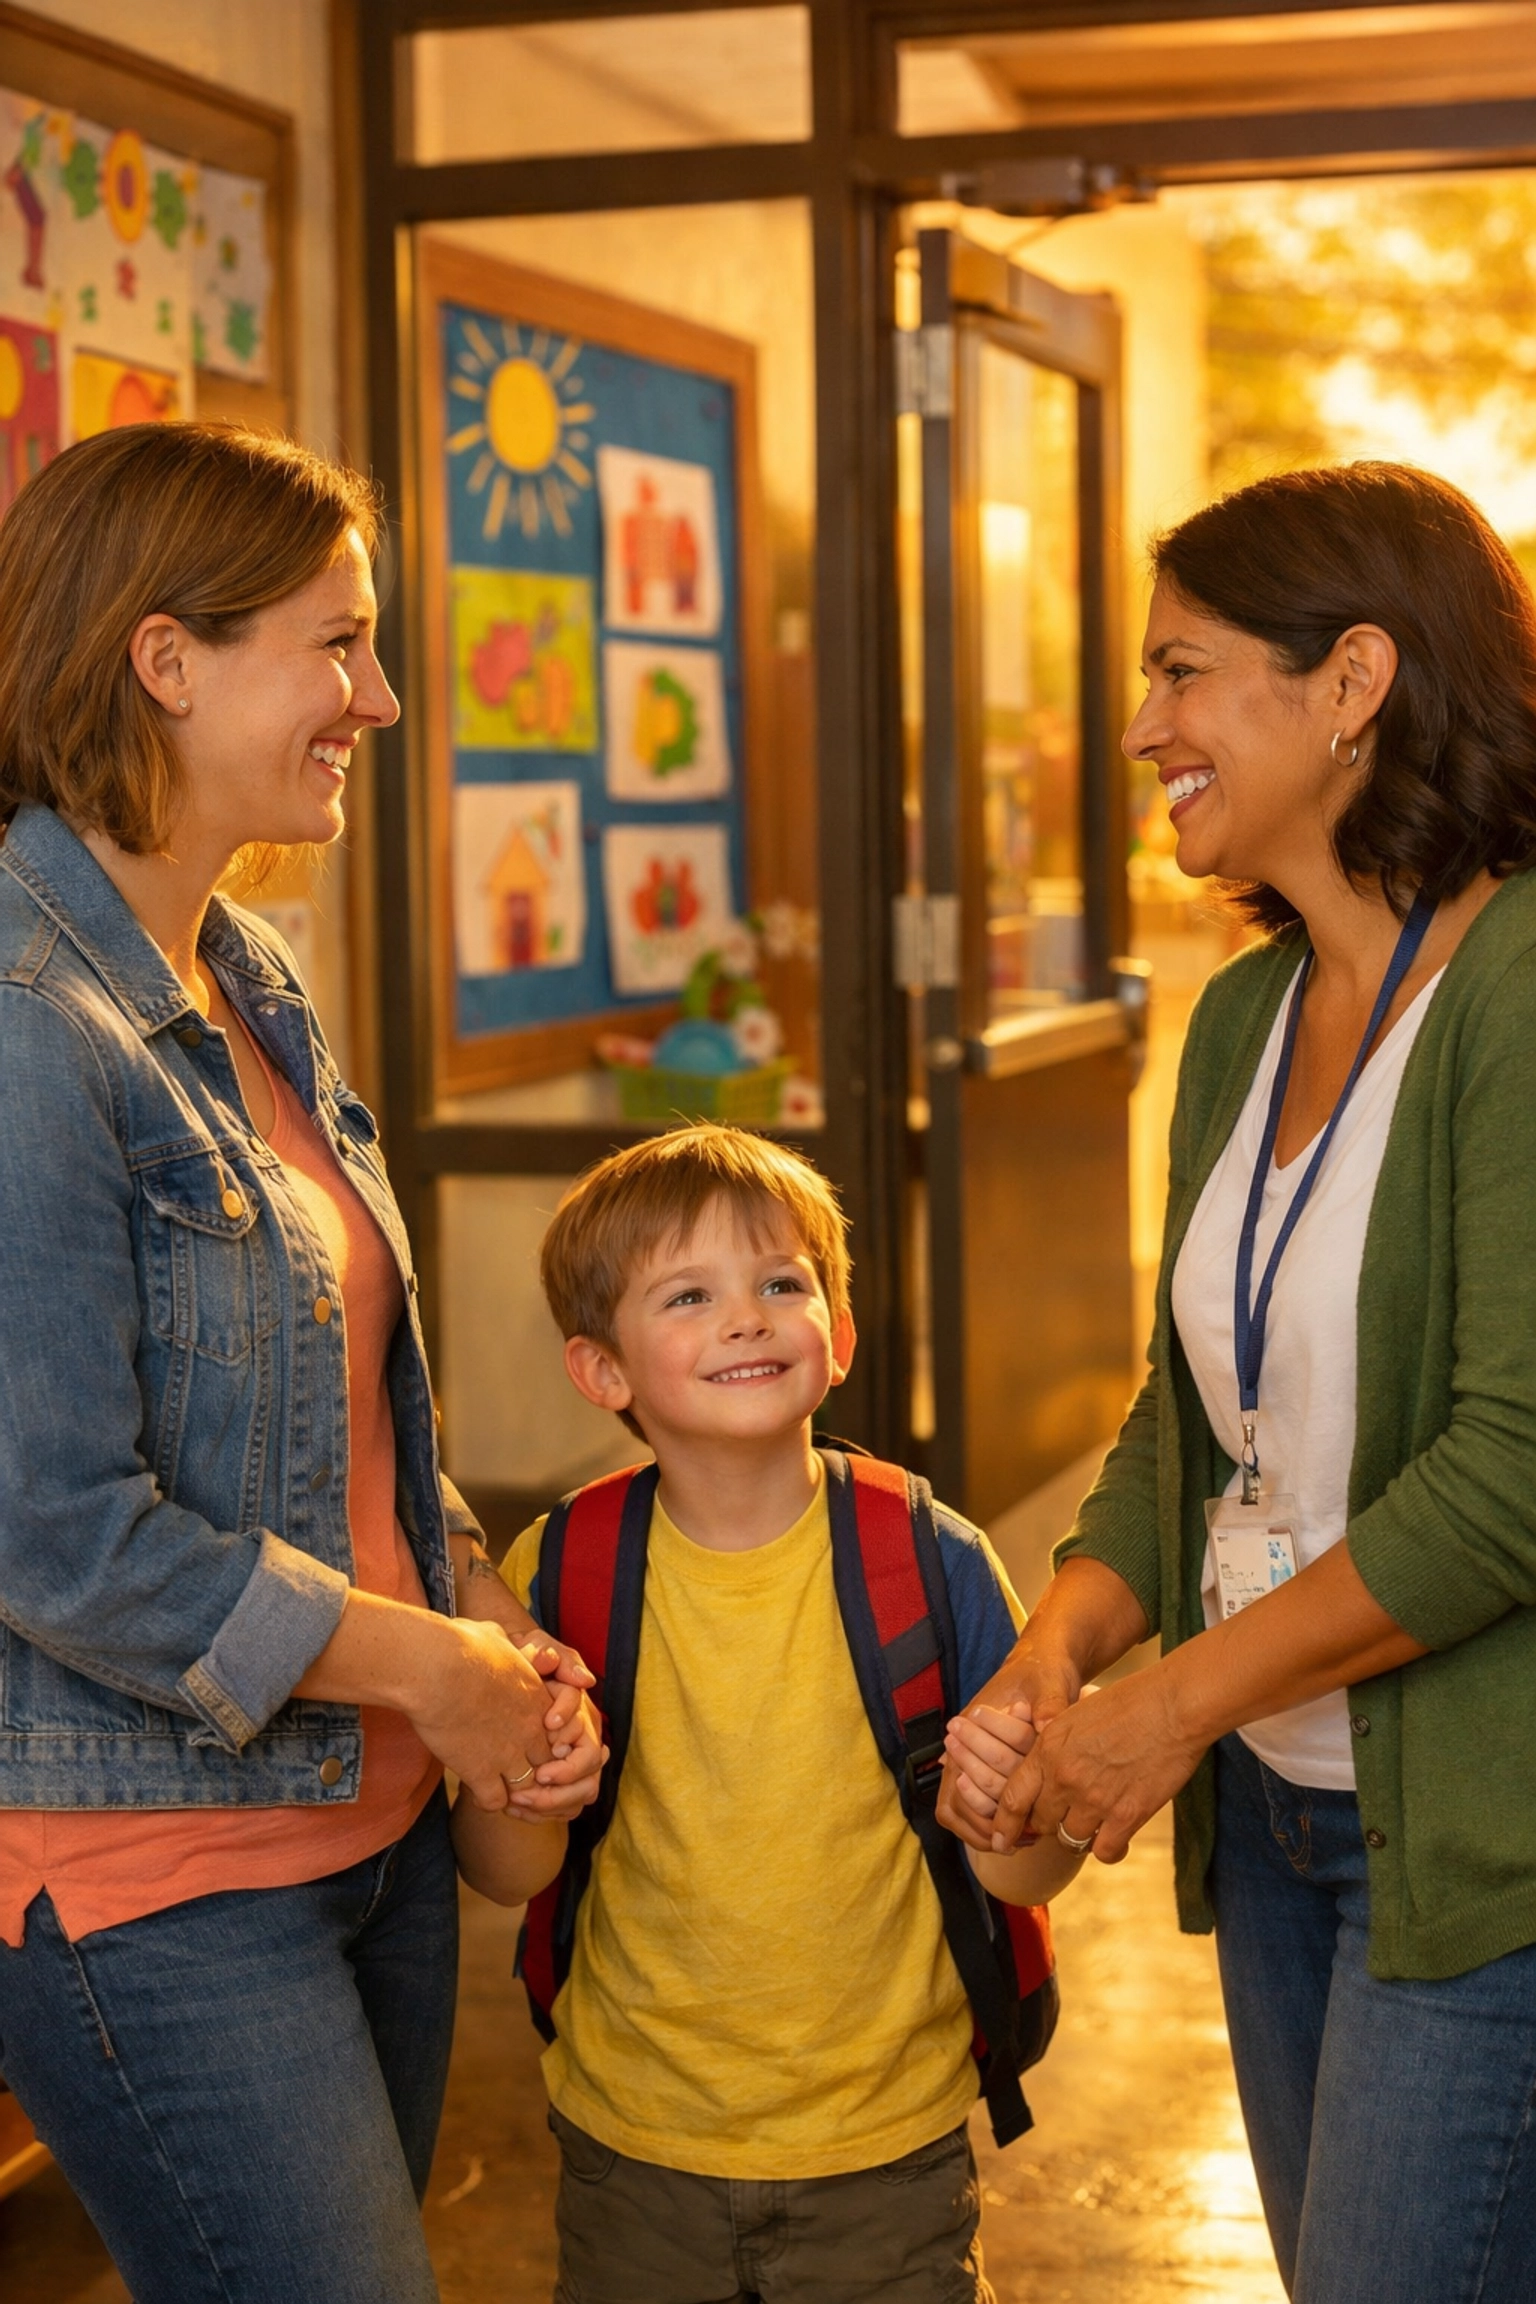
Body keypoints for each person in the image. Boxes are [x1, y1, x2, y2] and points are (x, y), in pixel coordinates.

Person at [0, 422, 603, 2304]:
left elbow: (340, 1401)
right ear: (164, 660)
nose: (386, 695)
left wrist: (484, 1609)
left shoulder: (245, 968)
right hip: (151, 1869)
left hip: (374, 1818)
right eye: (336, 645)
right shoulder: (28, 1024)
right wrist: (436, 1664)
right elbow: (57, 1532)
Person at [939, 462, 1536, 2304]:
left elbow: (1512, 1472)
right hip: (1280, 1819)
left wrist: (1170, 1700)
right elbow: (1191, 1418)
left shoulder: (1514, 982)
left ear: (1351, 681)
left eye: (1183, 672)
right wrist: (1062, 1647)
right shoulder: (1235, 1022)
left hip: (1480, 1841)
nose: (1141, 729)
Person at [451, 1122, 1086, 2304]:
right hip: (632, 2151)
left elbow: (1029, 1879)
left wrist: (1011, 1809)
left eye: (780, 1284)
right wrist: (534, 1781)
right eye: (689, 1295)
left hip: (888, 2153)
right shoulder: (561, 1573)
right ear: (603, 1371)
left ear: (836, 1336)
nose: (745, 1317)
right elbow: (503, 1872)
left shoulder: (933, 1561)